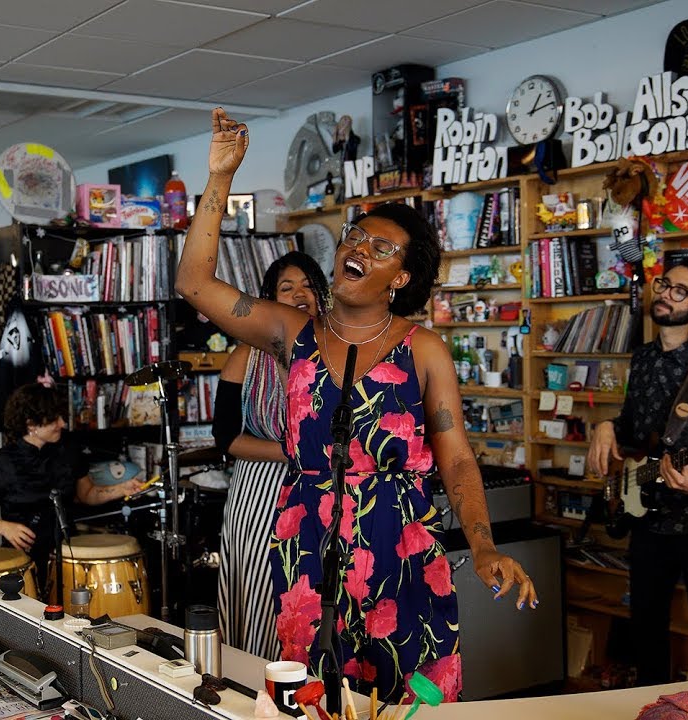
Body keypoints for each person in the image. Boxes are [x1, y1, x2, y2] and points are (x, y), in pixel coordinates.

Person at [175, 108, 537, 704]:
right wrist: (220, 177)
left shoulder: (423, 350)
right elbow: (194, 283)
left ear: (401, 278)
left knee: (407, 704)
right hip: (306, 543)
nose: (359, 246)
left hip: (401, 549)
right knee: (312, 698)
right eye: (356, 236)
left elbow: (456, 458)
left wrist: (483, 545)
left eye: (381, 247)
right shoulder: (292, 332)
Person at [587, 258, 688, 686]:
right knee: (645, 630)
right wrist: (607, 426)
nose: (665, 295)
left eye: (680, 291)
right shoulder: (643, 357)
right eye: (664, 285)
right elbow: (633, 428)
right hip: (647, 519)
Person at [213, 251, 331, 662]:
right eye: (287, 287)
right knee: (265, 592)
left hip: (323, 492)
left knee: (317, 595)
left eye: (308, 286)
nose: (299, 294)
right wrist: (291, 451)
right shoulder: (245, 357)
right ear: (269, 300)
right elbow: (226, 438)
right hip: (259, 494)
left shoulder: (339, 352)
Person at [0, 383, 146, 596]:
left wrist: (121, 489)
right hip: (23, 561)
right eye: (54, 419)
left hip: (67, 555)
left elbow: (87, 494)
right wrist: (5, 528)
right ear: (31, 424)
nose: (62, 423)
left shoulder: (68, 451)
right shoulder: (2, 462)